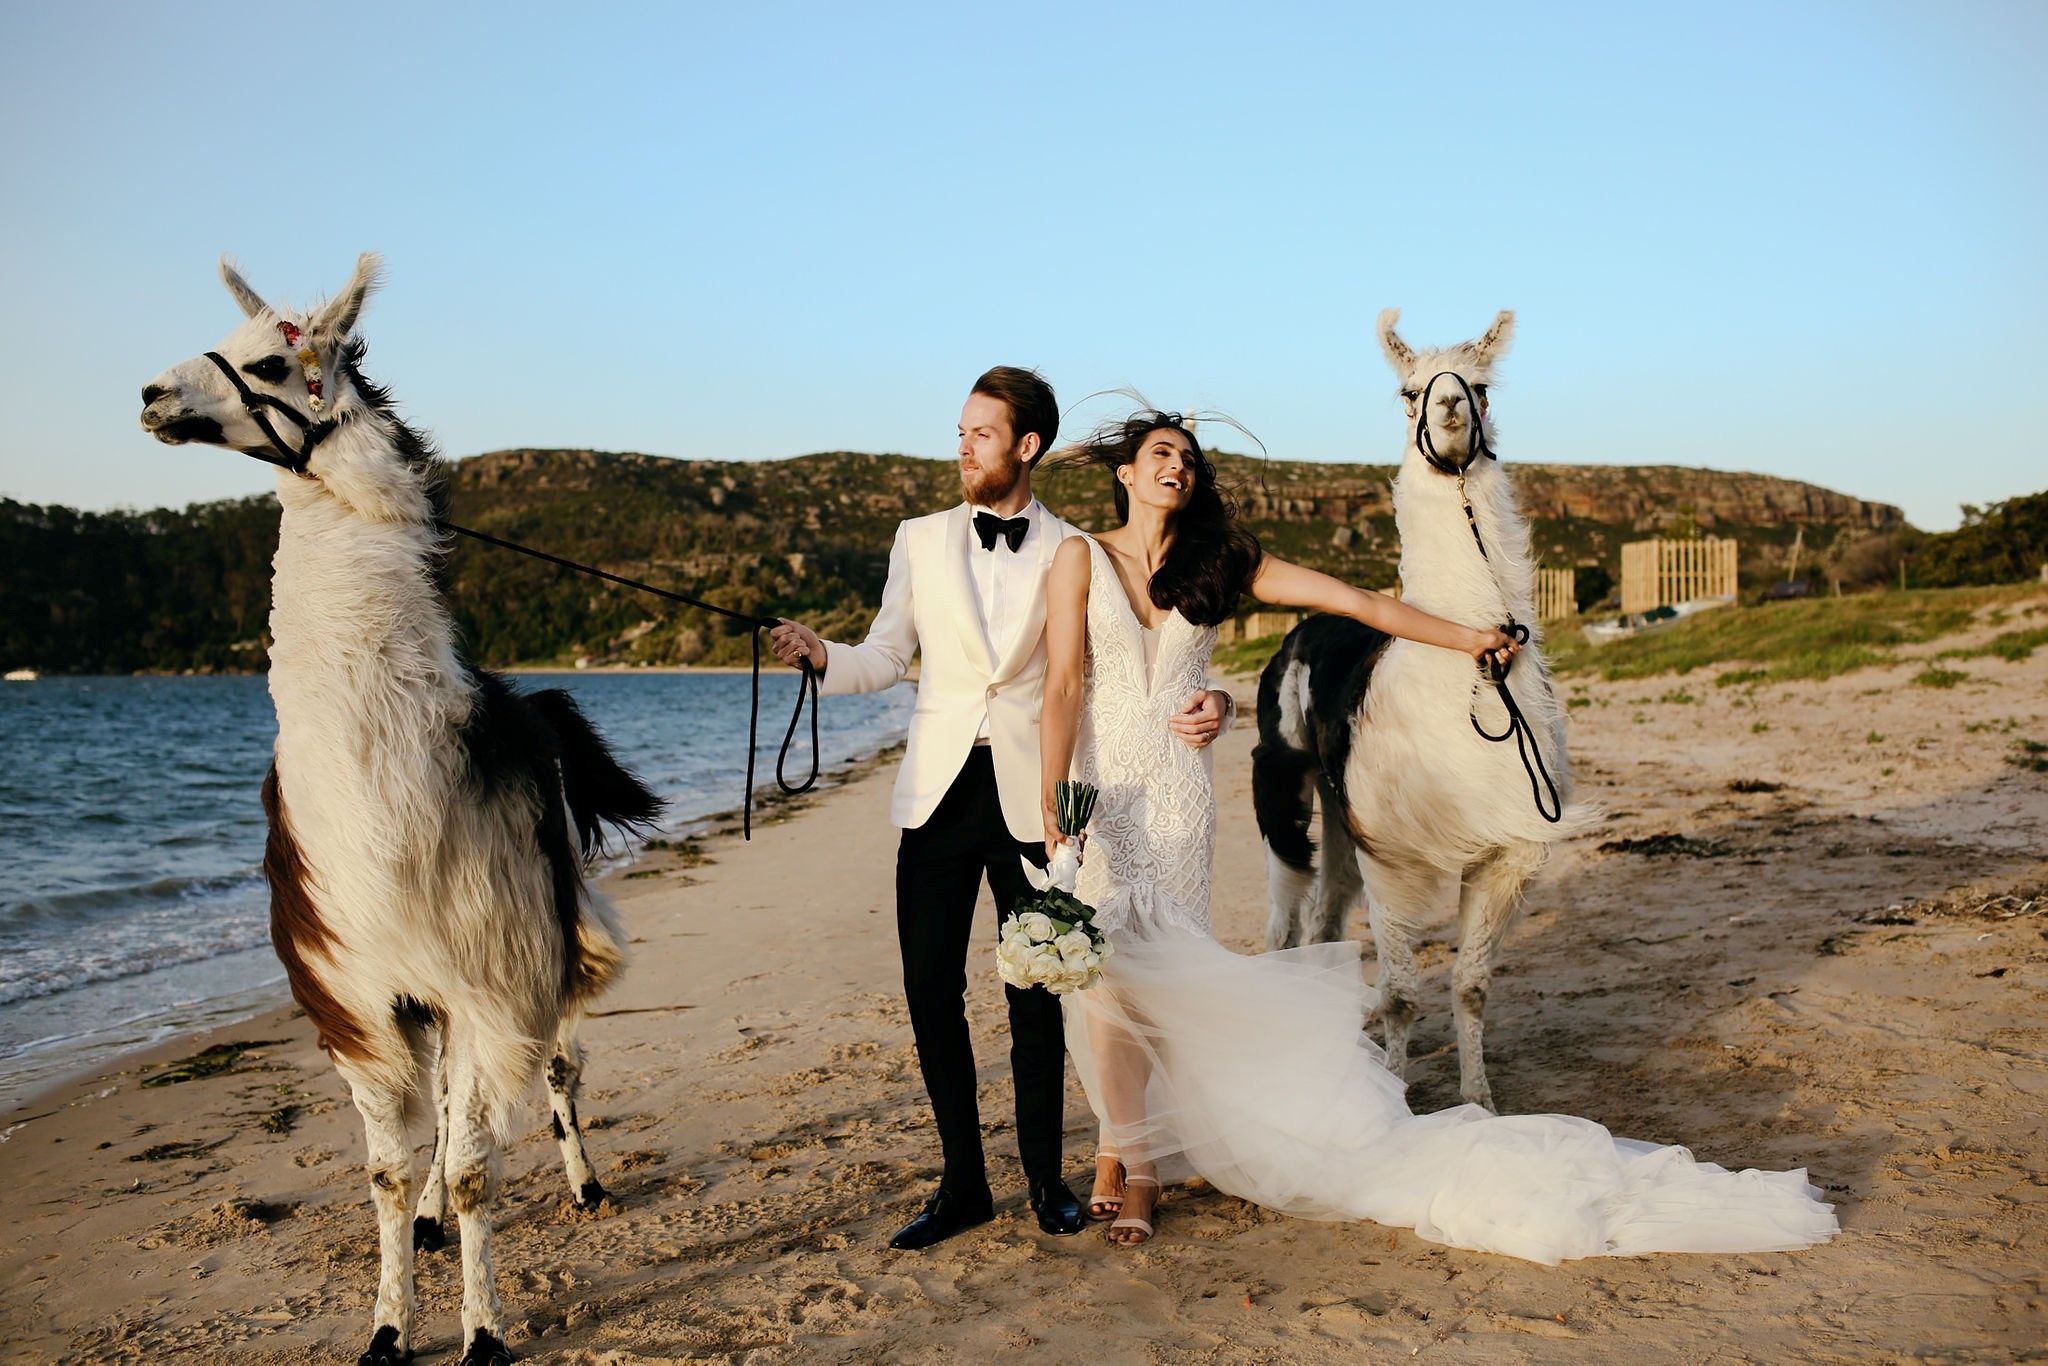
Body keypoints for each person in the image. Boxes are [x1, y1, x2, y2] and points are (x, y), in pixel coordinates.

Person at [1037, 409, 1839, 1260]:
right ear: (1125, 474)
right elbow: (1061, 683)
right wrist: (1057, 799)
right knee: (1107, 976)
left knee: (1168, 968)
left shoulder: (1222, 558)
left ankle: (1141, 1162)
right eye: (1162, 455)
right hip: (1102, 789)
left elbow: (1358, 602)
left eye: (1189, 458)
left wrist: (1467, 639)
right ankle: (1120, 1149)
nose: (1179, 467)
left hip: (1177, 796)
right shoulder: (1077, 557)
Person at [767, 370, 1237, 1250]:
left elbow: (1121, 671)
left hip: (1035, 797)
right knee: (929, 991)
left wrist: (1218, 700)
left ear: (1027, 446)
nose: (964, 447)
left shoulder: (1077, 551)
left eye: (981, 433)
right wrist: (821, 655)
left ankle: (1044, 1181)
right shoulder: (919, 537)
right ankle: (961, 1186)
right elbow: (885, 655)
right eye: (960, 432)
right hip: (937, 792)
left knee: (1036, 993)